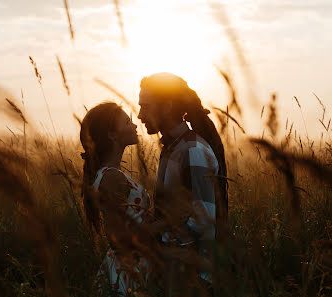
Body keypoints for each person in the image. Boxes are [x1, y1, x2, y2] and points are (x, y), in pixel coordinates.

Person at [138, 73, 228, 294]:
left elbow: (203, 221)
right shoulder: (173, 148)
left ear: (167, 106)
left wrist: (151, 231)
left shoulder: (192, 150)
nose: (140, 115)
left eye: (146, 107)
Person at [80, 102, 152, 296]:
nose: (135, 125)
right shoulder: (111, 177)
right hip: (129, 269)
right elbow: (116, 237)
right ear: (112, 134)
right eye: (128, 122)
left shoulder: (112, 174)